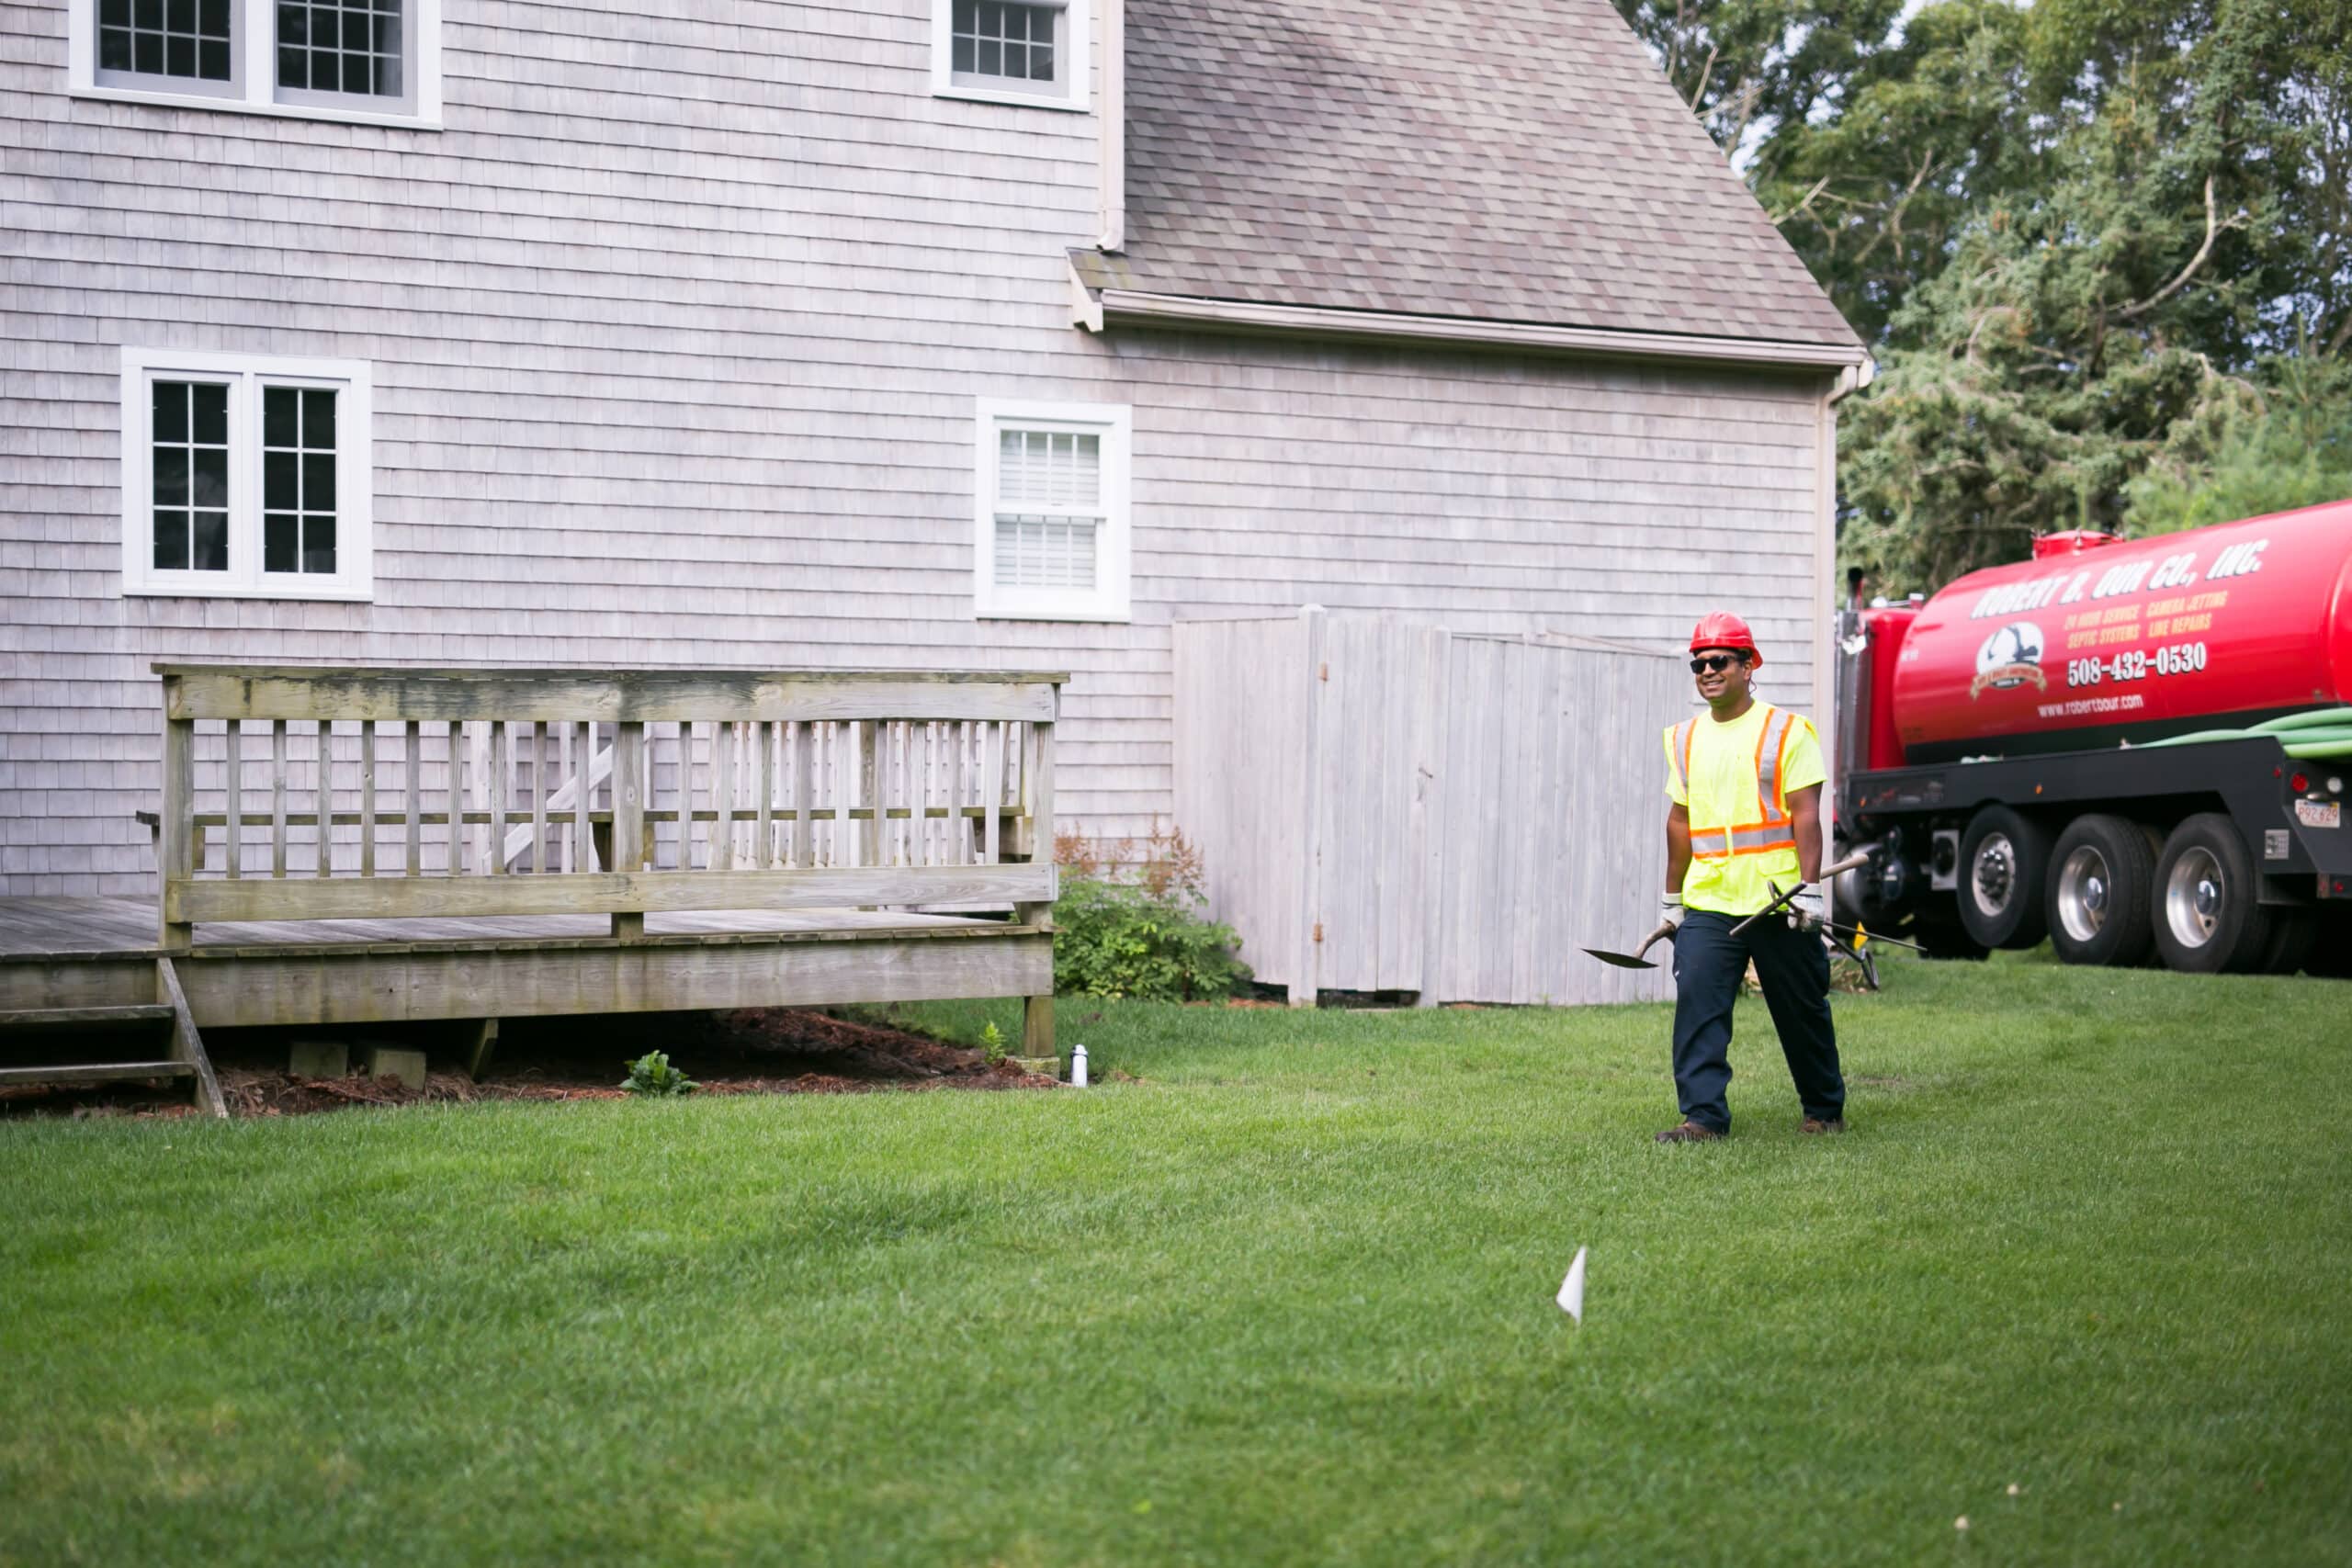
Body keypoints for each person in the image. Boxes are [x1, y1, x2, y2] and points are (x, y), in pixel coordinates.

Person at [1653, 613, 1846, 1143]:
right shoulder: (1684, 739)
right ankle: (1703, 1119)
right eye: (1698, 664)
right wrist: (1671, 899)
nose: (1707, 671)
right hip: (1711, 900)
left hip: (1778, 900)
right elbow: (1679, 822)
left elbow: (1806, 814)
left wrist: (1811, 891)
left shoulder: (1787, 732)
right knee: (1699, 1005)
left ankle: (1824, 1110)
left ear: (1748, 665)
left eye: (1719, 661)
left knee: (1801, 1008)